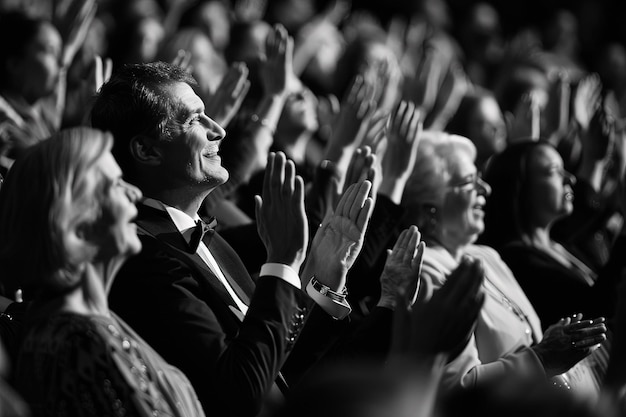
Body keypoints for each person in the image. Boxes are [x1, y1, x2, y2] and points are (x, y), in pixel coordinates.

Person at [90, 60, 377, 417]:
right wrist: (282, 263)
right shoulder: (145, 259)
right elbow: (237, 395)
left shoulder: (207, 239)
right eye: (194, 119)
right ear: (147, 150)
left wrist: (326, 280)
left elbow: (277, 367)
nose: (219, 130)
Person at [0, 127, 206, 416]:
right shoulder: (78, 344)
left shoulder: (86, 323)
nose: (135, 193)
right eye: (115, 184)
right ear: (75, 225)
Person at [401, 131, 607, 394]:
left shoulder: (487, 256)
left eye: (480, 178)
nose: (484, 188)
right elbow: (454, 389)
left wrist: (558, 339)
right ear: (431, 210)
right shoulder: (422, 270)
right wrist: (542, 358)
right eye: (468, 181)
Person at [481, 140, 624, 327]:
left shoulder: (558, 242)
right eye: (554, 171)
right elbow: (596, 311)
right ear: (521, 189)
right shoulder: (518, 263)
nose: (570, 178)